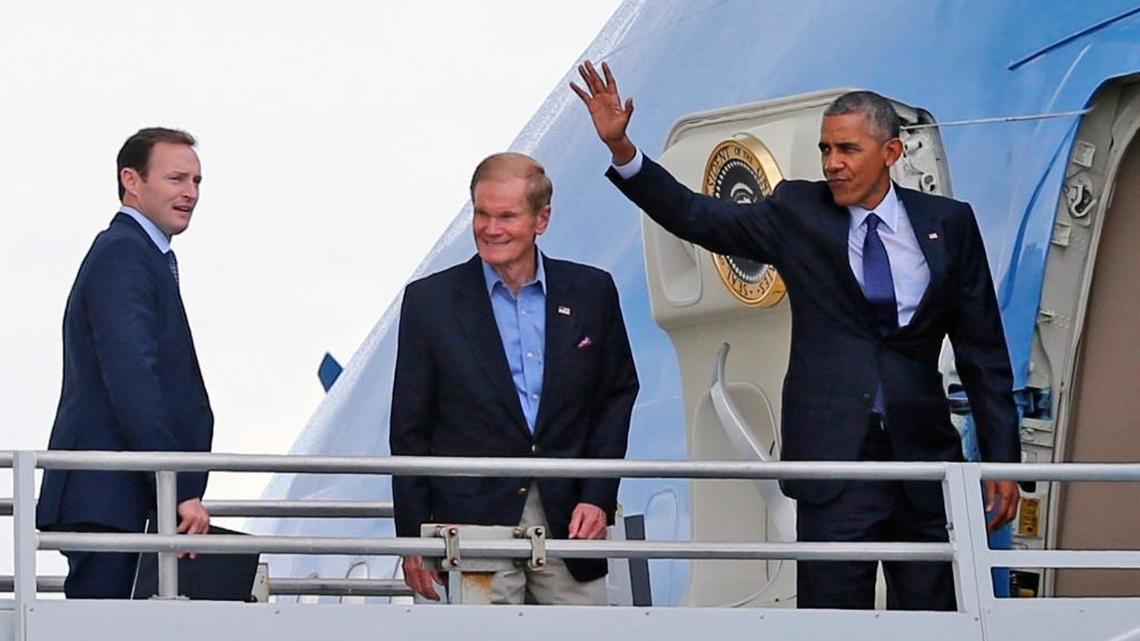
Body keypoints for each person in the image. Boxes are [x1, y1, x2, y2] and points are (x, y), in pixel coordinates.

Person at [571, 61, 1020, 610]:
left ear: (892, 153)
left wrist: (1002, 463)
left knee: (932, 616)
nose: (832, 163)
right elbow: (696, 216)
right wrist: (624, 152)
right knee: (831, 622)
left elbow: (983, 353)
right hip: (833, 461)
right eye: (825, 149)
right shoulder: (798, 212)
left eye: (848, 150)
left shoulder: (947, 223)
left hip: (920, 458)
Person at [390, 152, 639, 605]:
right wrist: (412, 538)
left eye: (506, 215)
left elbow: (616, 397)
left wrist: (598, 496)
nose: (490, 228)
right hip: (472, 522)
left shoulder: (591, 293)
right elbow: (409, 428)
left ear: (541, 220)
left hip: (571, 522)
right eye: (482, 214)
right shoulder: (430, 303)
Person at [36, 127, 214, 599]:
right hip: (110, 496)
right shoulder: (124, 254)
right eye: (176, 178)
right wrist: (173, 487)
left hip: (123, 494)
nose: (190, 193)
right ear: (131, 181)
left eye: (197, 181)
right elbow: (133, 379)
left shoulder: (142, 256)